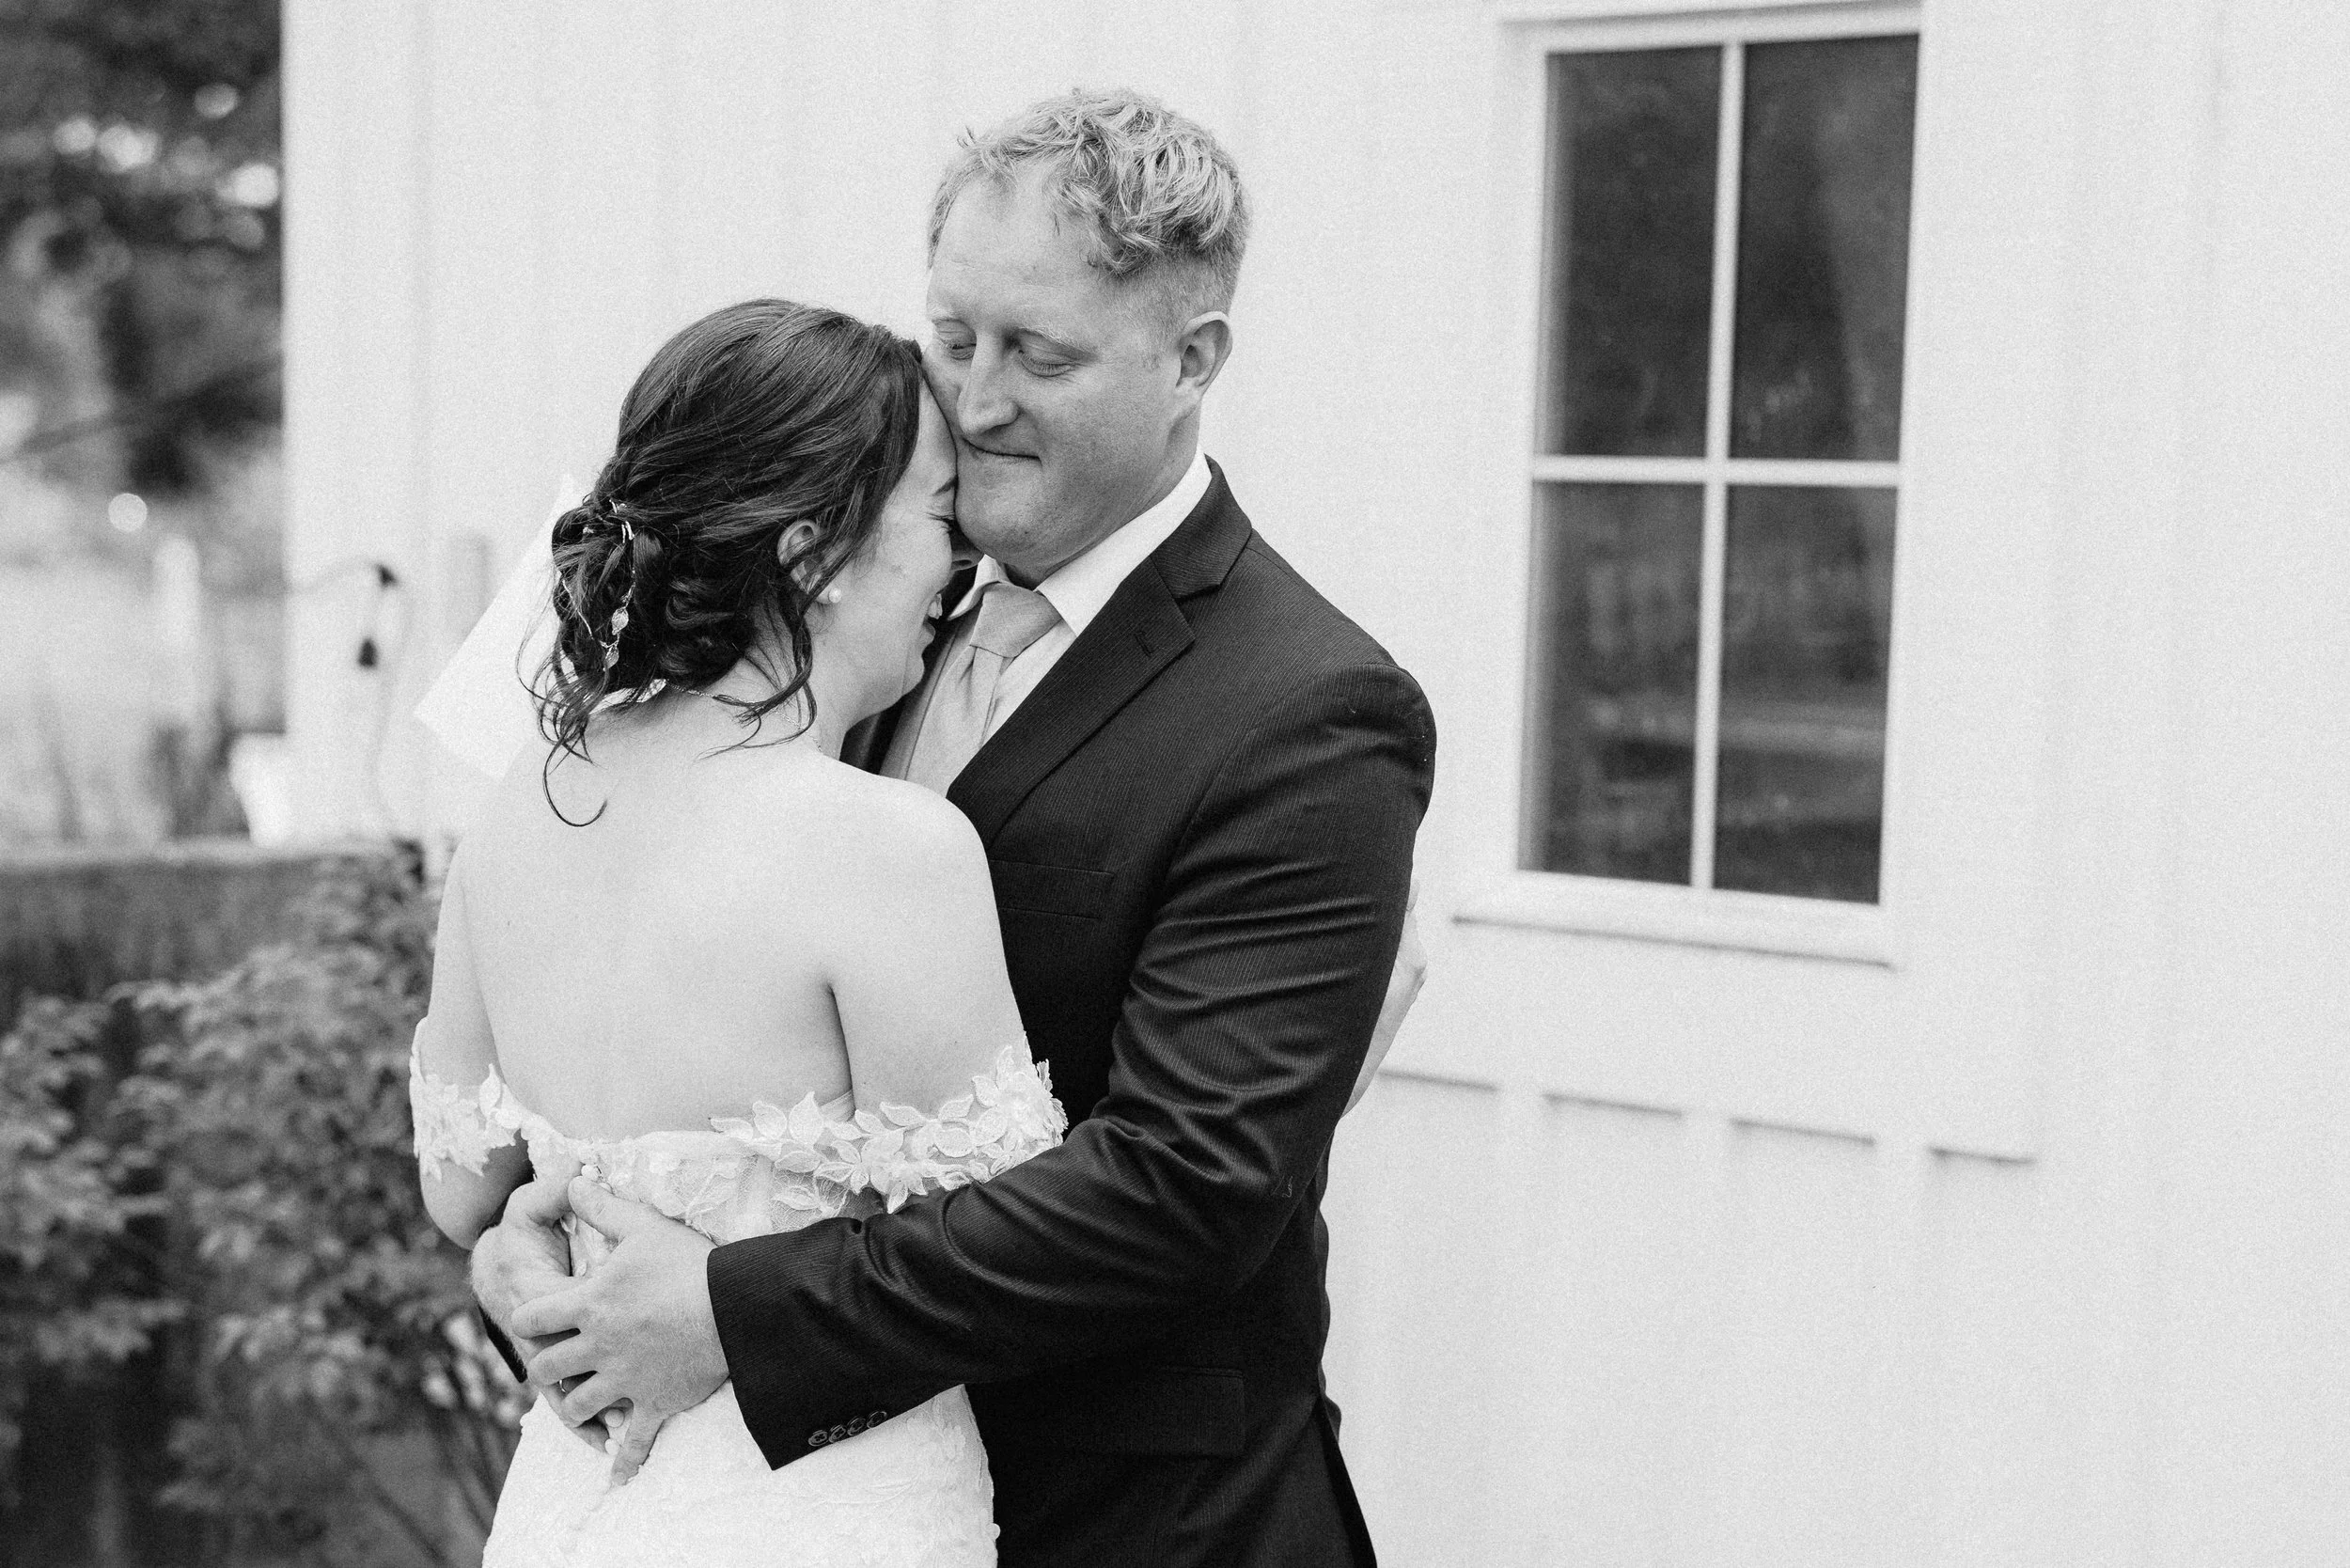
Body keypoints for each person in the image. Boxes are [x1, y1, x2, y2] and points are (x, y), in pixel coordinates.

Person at [476, 90, 1434, 1568]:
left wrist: (726, 1311)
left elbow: (1191, 1189)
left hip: (1132, 1518)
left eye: (1038, 355)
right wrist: (537, 1250)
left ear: (1195, 361)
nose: (974, 399)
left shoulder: (1311, 708)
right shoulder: (832, 606)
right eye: (955, 335)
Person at [411, 299, 1064, 1564]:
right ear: (816, 555)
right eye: (939, 514)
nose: (963, 563)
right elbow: (1000, 1260)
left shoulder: (515, 818)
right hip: (823, 1508)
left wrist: (522, 1250)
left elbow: (460, 1190)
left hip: (575, 1502)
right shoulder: (890, 848)